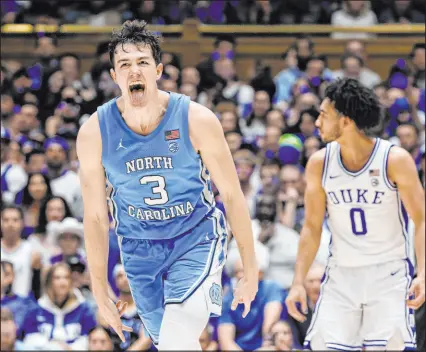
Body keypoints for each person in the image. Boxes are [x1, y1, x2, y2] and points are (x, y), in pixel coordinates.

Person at [76, 20, 258, 350]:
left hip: (195, 239)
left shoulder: (196, 119)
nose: (134, 72)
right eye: (124, 65)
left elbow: (231, 195)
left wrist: (251, 267)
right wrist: (99, 288)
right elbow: (96, 218)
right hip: (137, 250)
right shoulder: (94, 132)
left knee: (177, 334)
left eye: (143, 62)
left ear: (158, 70)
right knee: (172, 344)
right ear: (114, 76)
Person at [285, 78, 425, 351]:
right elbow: (311, 227)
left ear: (345, 121)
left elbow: (421, 219)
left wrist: (424, 273)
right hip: (340, 275)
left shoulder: (394, 160)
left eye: (324, 115)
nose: (317, 123)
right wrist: (298, 282)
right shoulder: (319, 163)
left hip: (389, 275)